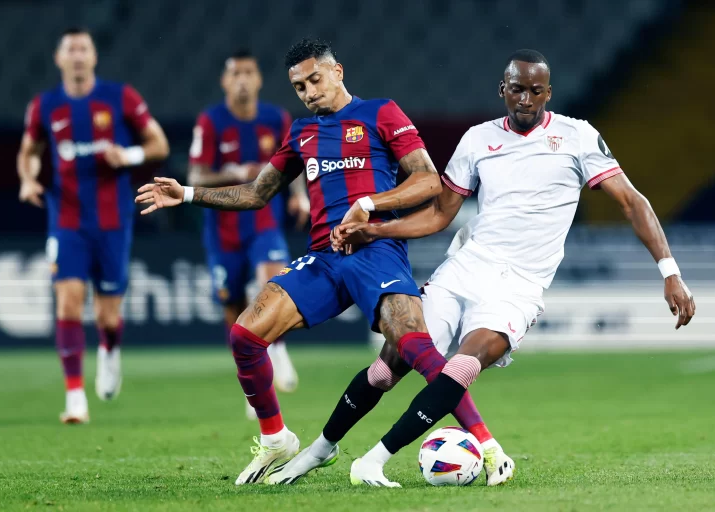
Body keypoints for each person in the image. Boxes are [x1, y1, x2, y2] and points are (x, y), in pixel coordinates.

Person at [136, 37, 508, 487]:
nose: (309, 91)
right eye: (299, 86)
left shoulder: (380, 113)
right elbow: (257, 193)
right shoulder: (301, 133)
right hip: (323, 260)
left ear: (338, 72)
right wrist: (189, 194)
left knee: (414, 348)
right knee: (245, 336)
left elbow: (428, 180)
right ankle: (276, 438)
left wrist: (369, 205)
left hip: (376, 252)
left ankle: (489, 447)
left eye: (315, 79)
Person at [325, 49, 696, 487]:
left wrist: (669, 271)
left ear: (548, 93)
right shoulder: (478, 139)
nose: (526, 99)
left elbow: (632, 202)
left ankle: (374, 459)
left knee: (464, 365)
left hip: (519, 285)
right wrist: (377, 232)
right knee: (390, 364)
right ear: (503, 89)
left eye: (536, 91)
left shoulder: (577, 137)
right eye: (517, 89)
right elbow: (441, 214)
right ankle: (319, 449)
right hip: (465, 267)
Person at [17, 28, 169, 424]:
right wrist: (29, 178)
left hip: (113, 221)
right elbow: (29, 152)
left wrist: (130, 153)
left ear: (94, 57)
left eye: (84, 48)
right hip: (66, 219)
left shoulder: (120, 97)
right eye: (71, 49)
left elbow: (159, 144)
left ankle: (110, 349)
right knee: (67, 299)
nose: (78, 55)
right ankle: (74, 398)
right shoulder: (46, 105)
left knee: (108, 316)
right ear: (59, 58)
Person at [188, 50, 310, 419]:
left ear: (258, 80)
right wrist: (238, 170)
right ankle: (251, 379)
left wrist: (299, 195)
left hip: (263, 221)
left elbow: (295, 161)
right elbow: (196, 177)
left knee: (270, 281)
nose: (242, 79)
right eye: (235, 73)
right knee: (231, 304)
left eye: (248, 73)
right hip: (222, 230)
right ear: (225, 81)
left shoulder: (276, 118)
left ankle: (279, 350)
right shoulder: (211, 122)